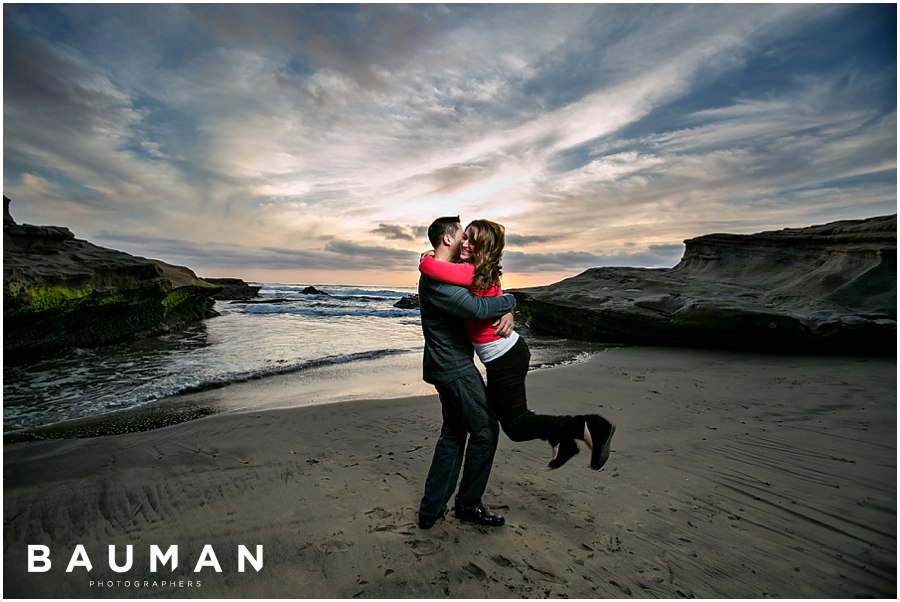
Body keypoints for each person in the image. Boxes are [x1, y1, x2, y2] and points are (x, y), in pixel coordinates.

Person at [419, 219, 616, 472]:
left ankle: (589, 425)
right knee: (509, 416)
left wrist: (427, 259)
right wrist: (507, 306)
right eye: (464, 237)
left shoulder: (471, 272)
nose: (465, 243)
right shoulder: (480, 270)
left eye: (471, 240)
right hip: (506, 354)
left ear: (483, 247)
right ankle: (561, 440)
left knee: (515, 426)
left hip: (505, 358)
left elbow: (433, 270)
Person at [416, 216, 518, 530]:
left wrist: (507, 309)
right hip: (454, 368)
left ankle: (431, 509)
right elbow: (477, 309)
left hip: (448, 365)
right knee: (486, 431)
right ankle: (468, 505)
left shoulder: (446, 272)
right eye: (461, 234)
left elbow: (483, 294)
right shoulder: (437, 280)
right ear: (448, 239)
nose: (465, 241)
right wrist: (512, 301)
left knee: (454, 432)